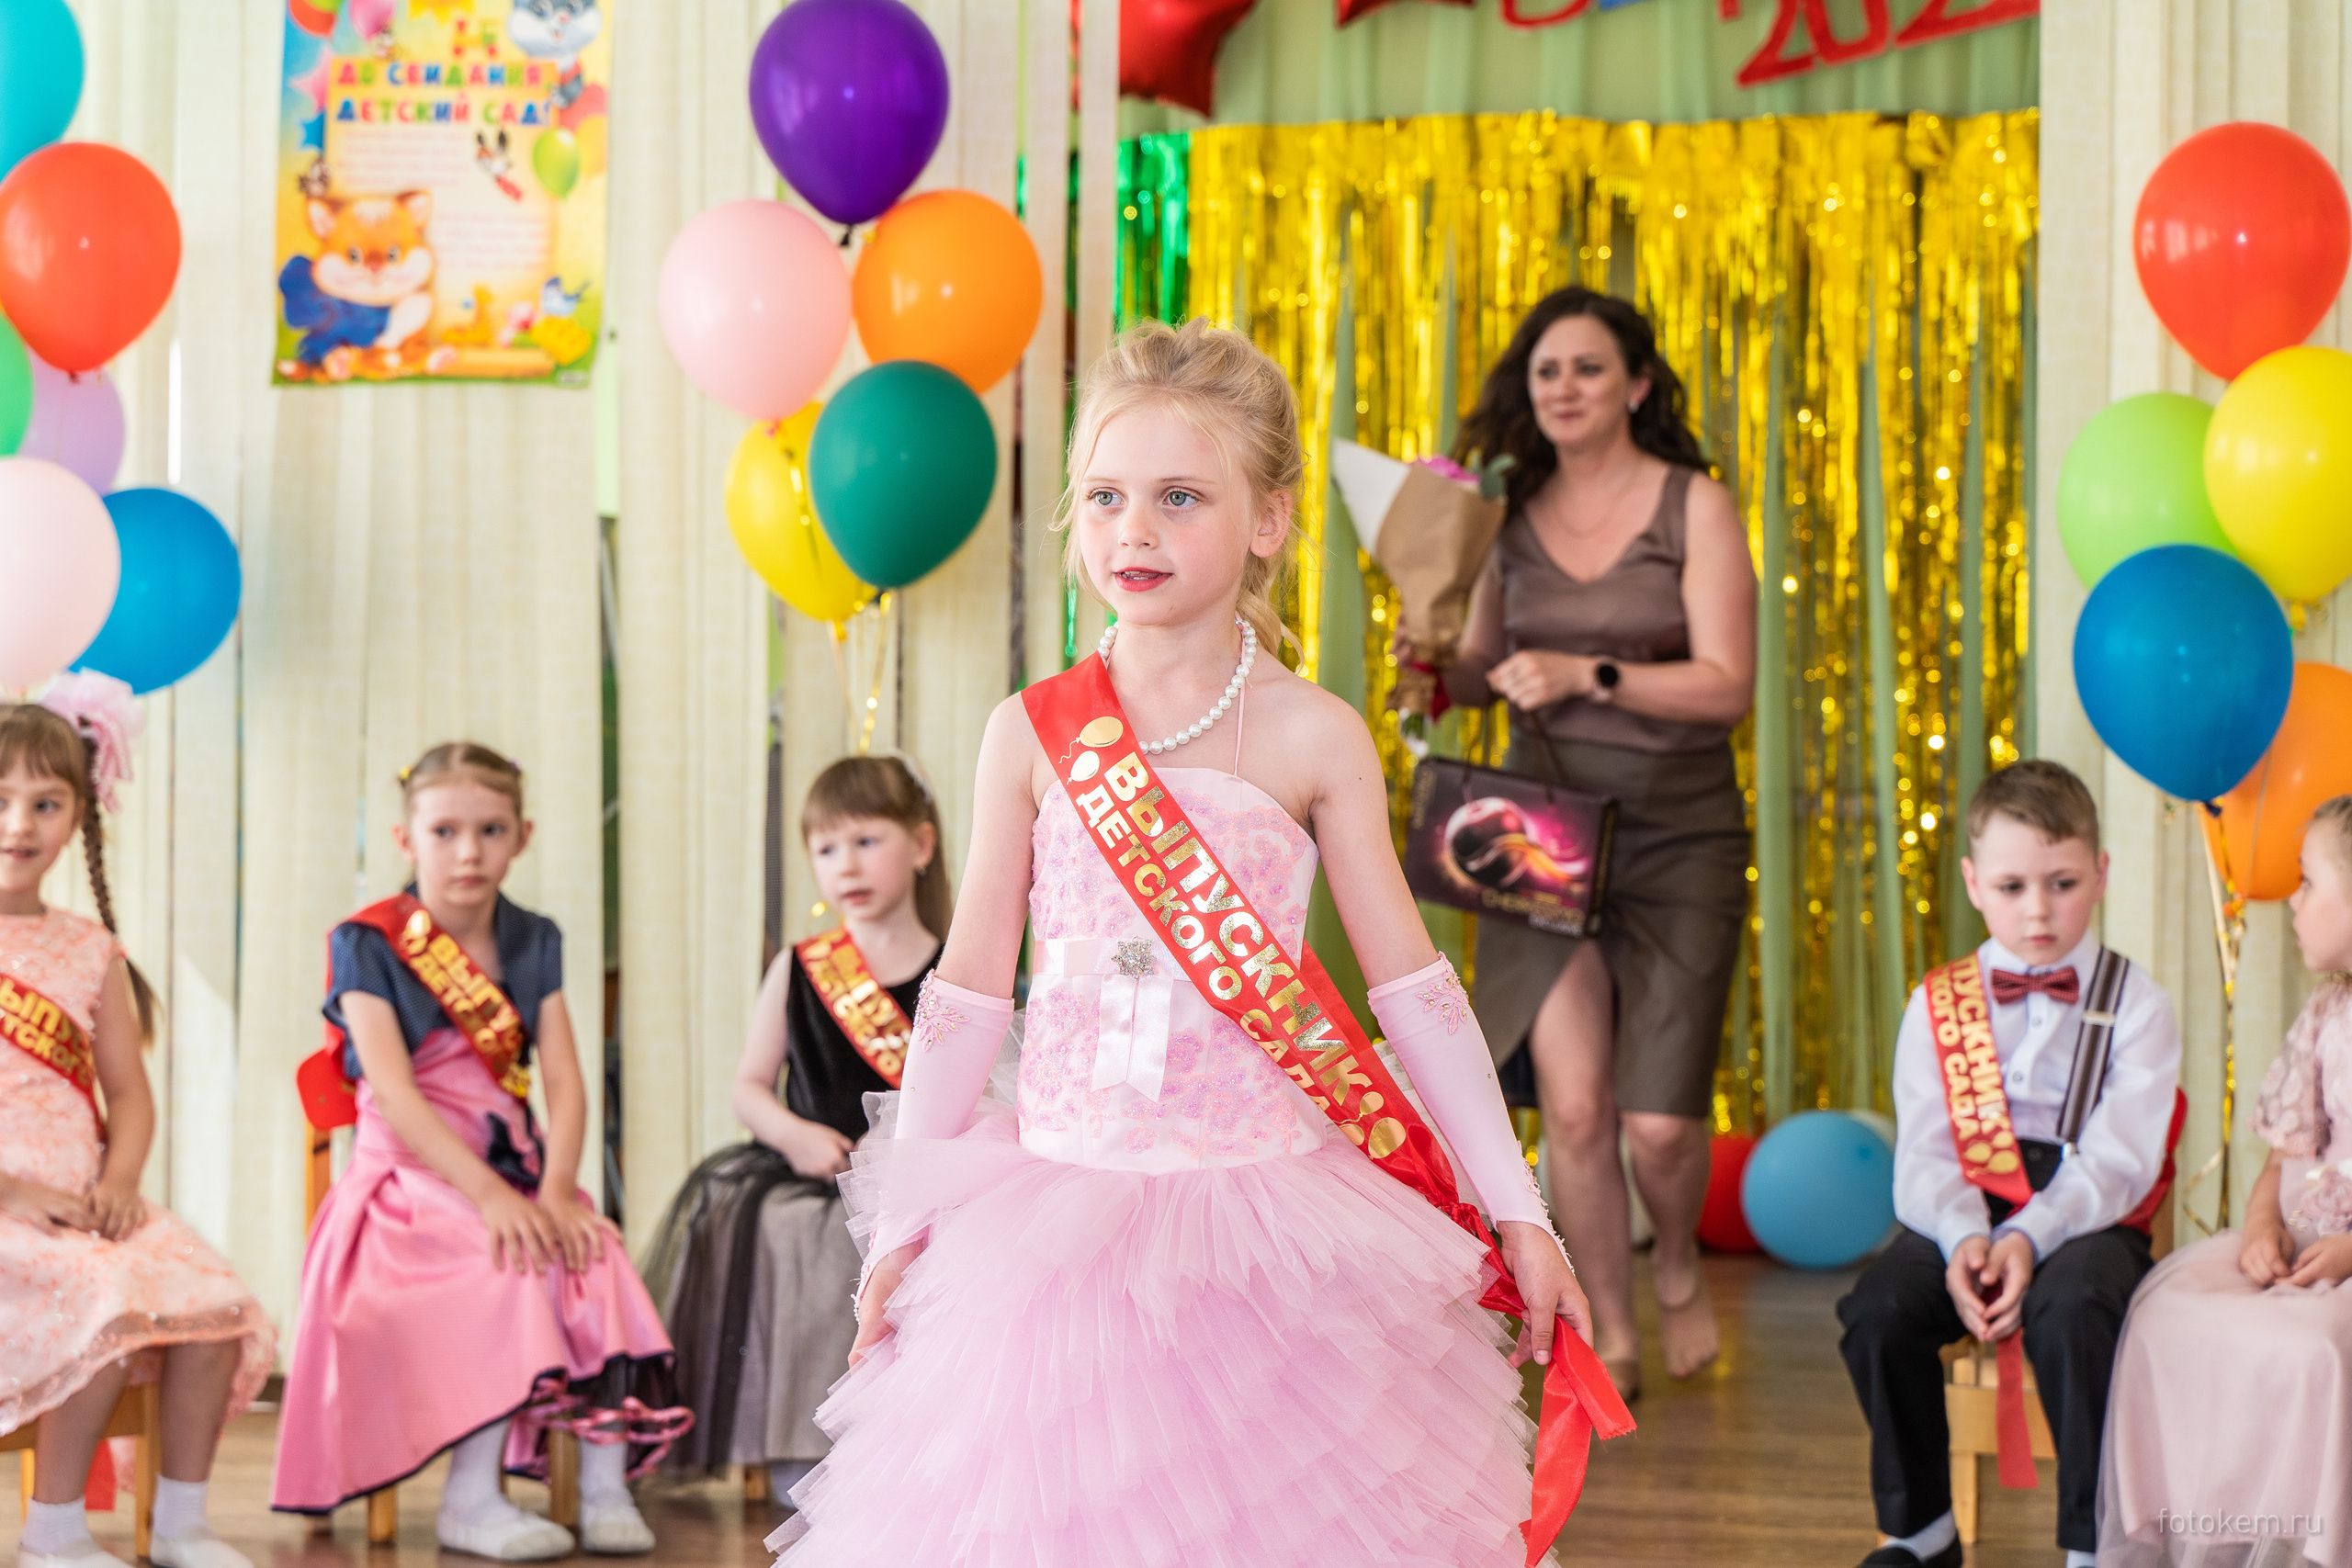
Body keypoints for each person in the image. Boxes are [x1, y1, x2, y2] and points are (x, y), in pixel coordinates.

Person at [767, 318, 1601, 1565]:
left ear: (1268, 518)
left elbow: (1416, 995)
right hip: (1049, 1225)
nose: (1134, 530)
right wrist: (900, 1229)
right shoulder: (1031, 732)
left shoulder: (1316, 735)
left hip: (1266, 1229)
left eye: (1178, 496)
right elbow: (968, 998)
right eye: (1104, 496)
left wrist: (1517, 1206)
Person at [1441, 285, 1757, 1396]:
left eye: (1585, 368)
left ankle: (1674, 1261)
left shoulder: (1693, 507)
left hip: (1680, 832)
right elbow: (1475, 668)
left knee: (1661, 1126)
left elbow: (1729, 686)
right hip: (1542, 837)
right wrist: (1431, 662)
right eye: (1545, 372)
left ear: (1634, 386)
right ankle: (1608, 1327)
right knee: (1571, 1107)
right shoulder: (1505, 516)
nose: (1563, 387)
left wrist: (1591, 675)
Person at [271, 742, 689, 1560]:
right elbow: (391, 1092)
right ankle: (472, 1495)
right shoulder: (367, 943)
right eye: (446, 830)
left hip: (517, 1174)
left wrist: (557, 1189)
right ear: (405, 838)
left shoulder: (534, 937)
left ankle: (604, 1489)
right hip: (406, 1181)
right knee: (503, 1259)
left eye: (491, 829)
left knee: (589, 1248)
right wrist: (497, 1200)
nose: (469, 851)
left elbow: (565, 1081)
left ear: (522, 836)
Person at [1837, 760, 2182, 1568]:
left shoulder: (2139, 1004)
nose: (2037, 910)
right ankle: (1921, 1528)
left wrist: (2030, 1235)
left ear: (2100, 874)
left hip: (2089, 1212)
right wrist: (1964, 1240)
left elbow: (2123, 1159)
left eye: (2061, 882)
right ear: (1972, 881)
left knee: (2074, 1310)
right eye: (2013, 885)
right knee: (1879, 1309)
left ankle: (2095, 1544)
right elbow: (1923, 1151)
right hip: (1962, 1204)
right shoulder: (1938, 1001)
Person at [0, 678, 276, 1568]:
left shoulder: (91, 951)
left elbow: (130, 1096)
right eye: (0, 800)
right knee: (113, 1300)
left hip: (84, 1208)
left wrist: (118, 1182)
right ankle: (54, 1534)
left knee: (212, 1306)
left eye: (46, 802)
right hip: (8, 1211)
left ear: (81, 814)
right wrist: (15, 1190)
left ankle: (185, 1522)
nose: (20, 824)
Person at [640, 754, 944, 1501]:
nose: (847, 864)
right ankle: (799, 1450)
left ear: (922, 845)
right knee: (798, 1231)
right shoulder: (801, 966)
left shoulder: (955, 969)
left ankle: (913, 1447)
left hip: (920, 1171)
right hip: (808, 1169)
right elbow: (749, 1086)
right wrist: (796, 1135)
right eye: (827, 848)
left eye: (868, 840)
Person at [2096, 794, 2352, 1566]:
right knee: (2168, 1319)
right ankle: (2203, 1536)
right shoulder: (2326, 1012)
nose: (2293, 903)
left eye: (2308, 883)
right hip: (2307, 1236)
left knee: (2312, 1351)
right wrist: (2265, 1224)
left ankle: (2316, 1542)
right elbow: (2284, 1155)